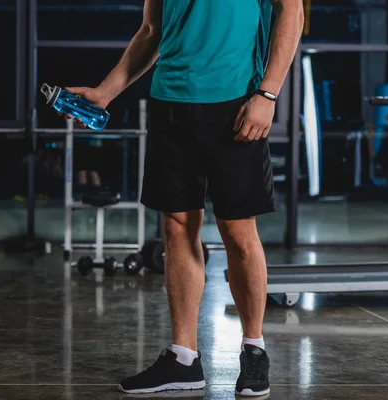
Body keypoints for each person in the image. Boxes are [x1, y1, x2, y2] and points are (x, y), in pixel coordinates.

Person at [64, 0, 304, 397]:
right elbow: (151, 30)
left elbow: (291, 12)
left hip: (237, 99)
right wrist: (106, 92)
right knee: (176, 227)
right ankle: (183, 359)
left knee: (238, 230)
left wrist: (268, 94)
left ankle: (254, 349)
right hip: (170, 100)